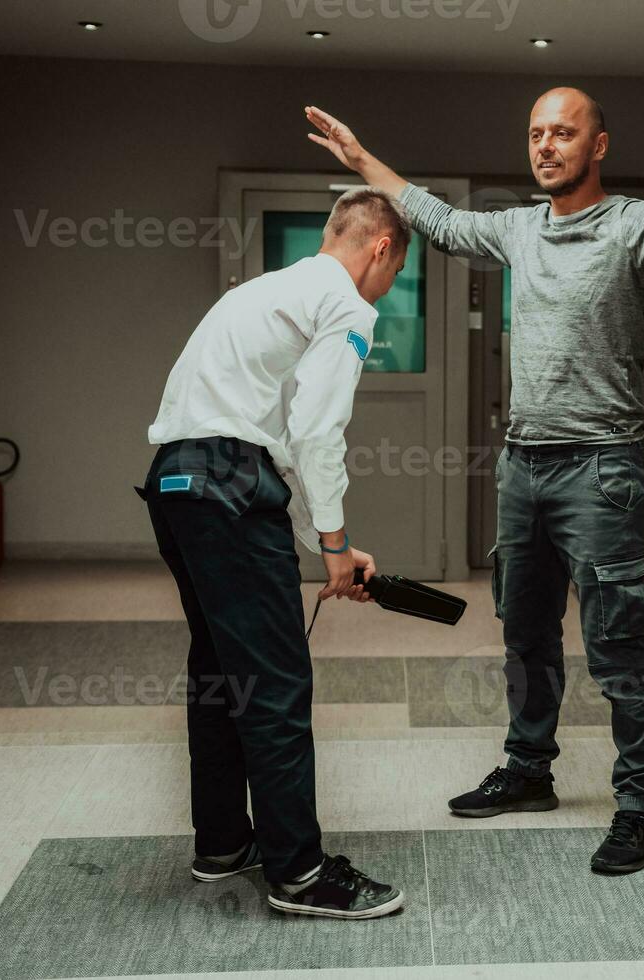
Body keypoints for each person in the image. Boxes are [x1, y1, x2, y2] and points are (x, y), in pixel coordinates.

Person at [305, 88, 644, 874]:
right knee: (524, 633)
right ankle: (528, 771)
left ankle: (638, 806)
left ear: (600, 145)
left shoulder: (632, 226)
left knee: (618, 645)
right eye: (536, 133)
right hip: (524, 464)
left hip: (603, 466)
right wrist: (362, 162)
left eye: (563, 133)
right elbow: (439, 221)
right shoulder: (520, 227)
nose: (546, 145)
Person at [141, 188, 408, 918]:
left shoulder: (266, 292)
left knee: (221, 669)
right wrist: (335, 545)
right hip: (225, 485)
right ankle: (299, 874)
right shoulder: (347, 306)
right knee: (276, 682)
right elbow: (318, 432)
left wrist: (327, 544)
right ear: (381, 247)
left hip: (176, 479)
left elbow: (268, 444)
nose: (386, 290)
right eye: (393, 271)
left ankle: (224, 841)